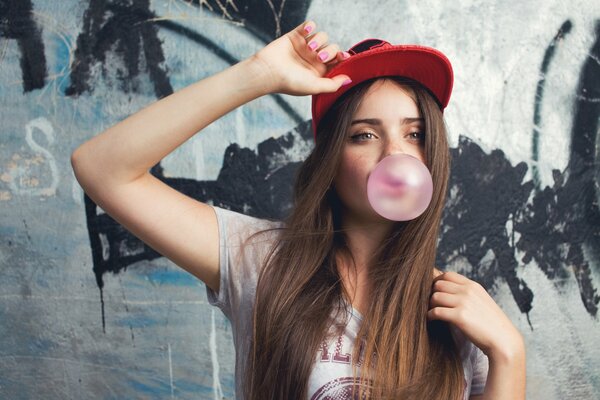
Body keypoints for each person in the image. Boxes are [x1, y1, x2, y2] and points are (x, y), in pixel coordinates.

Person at [71, 21, 526, 400]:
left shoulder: (458, 314)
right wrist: (257, 73)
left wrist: (508, 353)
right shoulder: (261, 262)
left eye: (415, 134)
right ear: (330, 160)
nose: (396, 154)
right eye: (364, 134)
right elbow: (102, 169)